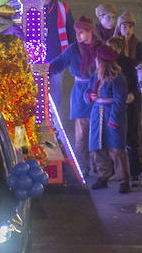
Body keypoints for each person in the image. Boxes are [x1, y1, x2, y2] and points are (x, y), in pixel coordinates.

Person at [47, 17, 115, 181]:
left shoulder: (101, 48)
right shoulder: (72, 50)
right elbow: (57, 64)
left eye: (81, 32)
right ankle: (83, 167)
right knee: (82, 135)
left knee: (100, 133)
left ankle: (104, 168)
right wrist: (43, 72)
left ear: (90, 32)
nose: (77, 35)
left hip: (100, 93)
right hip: (80, 95)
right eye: (76, 32)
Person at [88, 52, 131, 192]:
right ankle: (103, 176)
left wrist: (114, 118)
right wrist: (89, 96)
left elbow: (119, 100)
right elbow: (87, 91)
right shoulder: (95, 76)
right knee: (98, 146)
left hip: (110, 113)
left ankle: (123, 180)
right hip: (97, 114)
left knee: (117, 149)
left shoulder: (118, 78)